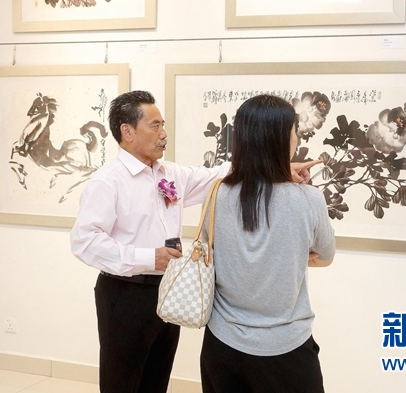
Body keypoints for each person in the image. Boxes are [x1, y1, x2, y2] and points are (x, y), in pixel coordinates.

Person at [70, 90, 319, 393]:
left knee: (157, 378)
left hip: (168, 288)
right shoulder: (108, 181)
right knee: (122, 382)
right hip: (125, 294)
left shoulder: (170, 173)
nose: (163, 134)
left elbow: (218, 175)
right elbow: (85, 241)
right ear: (128, 131)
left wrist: (278, 169)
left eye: (163, 125)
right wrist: (149, 257)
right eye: (155, 126)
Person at [199, 94, 336, 393]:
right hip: (286, 350)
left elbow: (211, 250)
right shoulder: (309, 199)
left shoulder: (217, 193)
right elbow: (326, 257)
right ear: (283, 139)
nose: (297, 136)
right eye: (295, 130)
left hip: (222, 346)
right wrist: (293, 256)